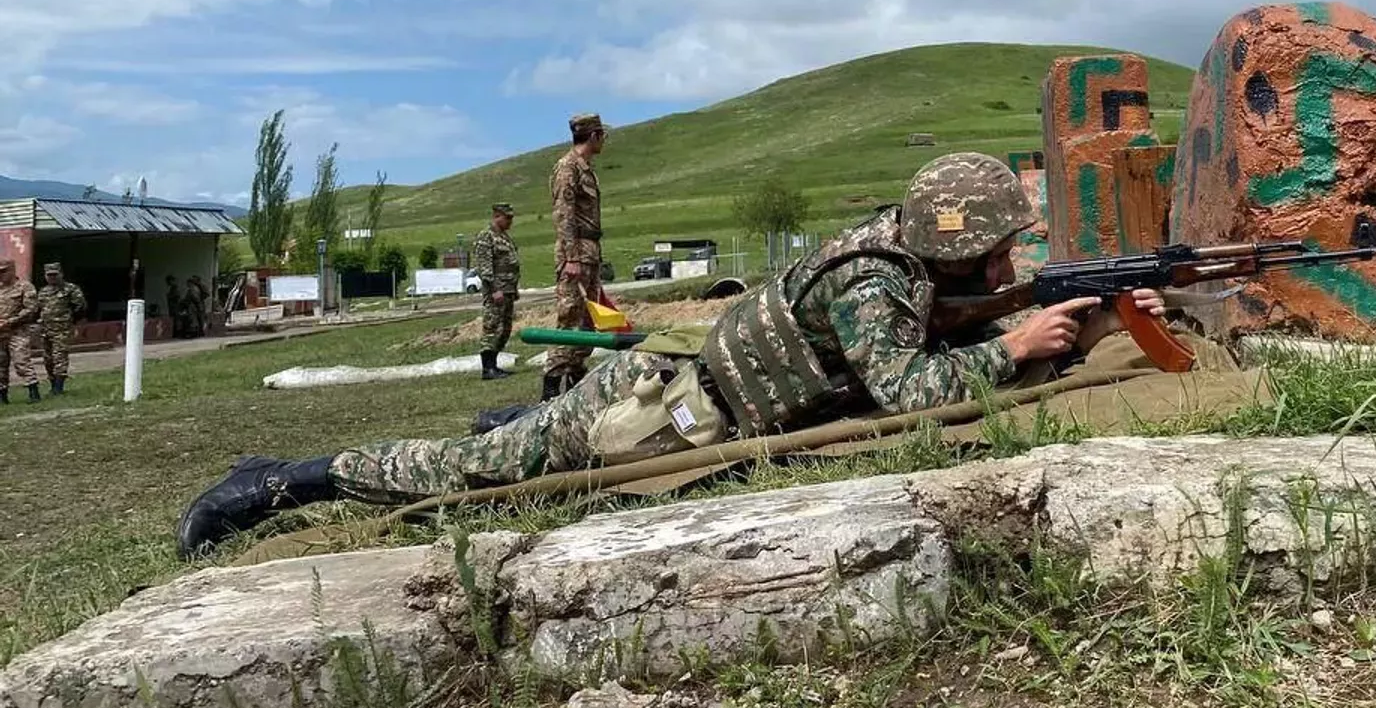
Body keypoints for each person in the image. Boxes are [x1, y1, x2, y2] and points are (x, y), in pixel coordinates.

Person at [175, 152, 1165, 558]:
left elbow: (936, 328)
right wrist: (1018, 347)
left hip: (698, 381)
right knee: (477, 472)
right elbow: (907, 384)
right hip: (665, 408)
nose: (1007, 260)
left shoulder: (905, 254)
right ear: (952, 243)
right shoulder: (877, 278)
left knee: (524, 440)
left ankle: (516, 421)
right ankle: (281, 482)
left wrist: (1093, 313)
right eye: (997, 246)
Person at [546, 112, 607, 400]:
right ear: (593, 136)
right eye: (602, 135)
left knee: (589, 322)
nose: (603, 140)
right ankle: (551, 384)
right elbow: (564, 215)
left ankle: (574, 383)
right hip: (576, 254)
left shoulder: (586, 168)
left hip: (590, 252)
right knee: (569, 317)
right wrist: (571, 257)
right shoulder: (567, 168)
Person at [470, 202, 520, 380]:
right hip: (496, 292)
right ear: (497, 216)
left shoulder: (505, 237)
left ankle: (495, 365)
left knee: (504, 329)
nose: (510, 222)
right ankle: (487, 368)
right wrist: (494, 290)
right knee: (491, 328)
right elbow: (485, 267)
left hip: (508, 290)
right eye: (507, 218)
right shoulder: (486, 236)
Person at [36, 262, 86, 396]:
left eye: (54, 275)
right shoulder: (43, 291)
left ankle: (59, 387)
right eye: (49, 275)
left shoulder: (70, 289)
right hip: (46, 330)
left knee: (60, 357)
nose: (52, 277)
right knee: (47, 359)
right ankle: (52, 385)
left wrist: (70, 321)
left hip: (62, 330)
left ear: (61, 274)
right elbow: (38, 309)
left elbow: (80, 307)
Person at [0, 259, 41, 405]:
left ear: (12, 270)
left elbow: (31, 309)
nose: (1, 275)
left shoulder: (24, 287)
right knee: (1, 365)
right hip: (1, 333)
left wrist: (10, 321)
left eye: (4, 271)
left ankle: (33, 392)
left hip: (18, 331)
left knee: (21, 361)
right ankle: (2, 396)